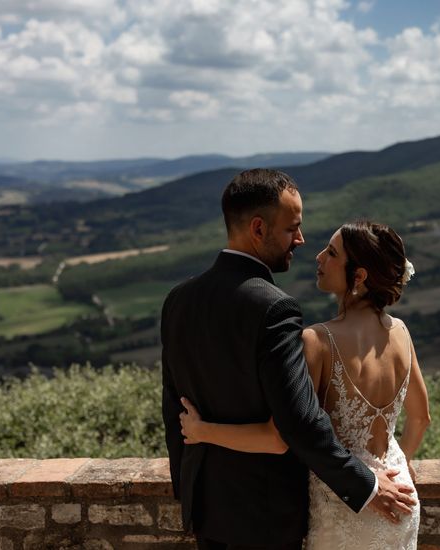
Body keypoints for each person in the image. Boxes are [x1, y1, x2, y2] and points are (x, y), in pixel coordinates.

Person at [160, 170, 417, 550]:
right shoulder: (274, 308)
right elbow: (298, 424)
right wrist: (364, 485)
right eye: (292, 228)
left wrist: (188, 490)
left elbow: (172, 406)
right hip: (267, 516)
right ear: (259, 229)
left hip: (208, 508)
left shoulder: (178, 300)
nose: (300, 239)